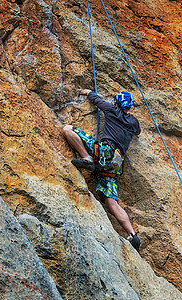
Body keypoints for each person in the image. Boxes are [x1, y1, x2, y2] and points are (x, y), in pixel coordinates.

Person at [62, 89, 141, 252]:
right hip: (115, 164)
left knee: (68, 129)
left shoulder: (112, 109)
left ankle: (86, 158)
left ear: (116, 104)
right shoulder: (134, 123)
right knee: (112, 203)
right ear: (130, 107)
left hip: (104, 152)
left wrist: (86, 91)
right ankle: (133, 234)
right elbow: (138, 132)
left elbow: (96, 100)